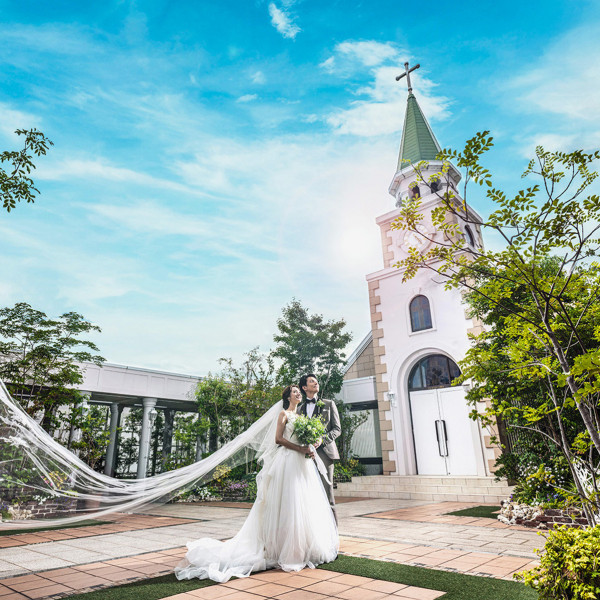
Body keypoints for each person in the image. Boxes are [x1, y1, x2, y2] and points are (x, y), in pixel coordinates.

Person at [175, 385, 338, 583]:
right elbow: (278, 439)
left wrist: (312, 444)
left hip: (302, 464)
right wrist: (299, 448)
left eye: (298, 392)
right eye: (295, 392)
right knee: (288, 503)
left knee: (304, 503)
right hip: (287, 462)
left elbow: (307, 437)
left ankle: (303, 547)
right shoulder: (283, 414)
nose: (298, 394)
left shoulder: (302, 416)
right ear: (288, 396)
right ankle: (283, 549)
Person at [298, 373, 341, 524]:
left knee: (327, 493)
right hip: (306, 457)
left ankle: (334, 532)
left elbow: (337, 429)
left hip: (325, 454)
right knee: (309, 493)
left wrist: (321, 440)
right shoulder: (300, 409)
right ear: (304, 387)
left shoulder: (329, 404)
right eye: (311, 381)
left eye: (316, 381)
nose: (316, 383)